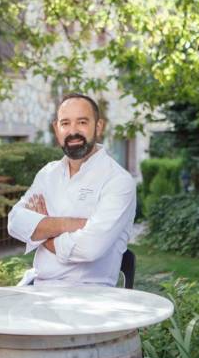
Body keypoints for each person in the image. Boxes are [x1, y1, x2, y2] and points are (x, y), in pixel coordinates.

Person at [7, 93, 136, 286]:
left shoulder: (118, 181)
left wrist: (41, 233)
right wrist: (69, 224)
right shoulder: (48, 173)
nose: (73, 131)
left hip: (88, 297)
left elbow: (90, 248)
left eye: (82, 122)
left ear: (98, 126)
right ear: (56, 129)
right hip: (37, 288)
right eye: (65, 123)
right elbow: (15, 222)